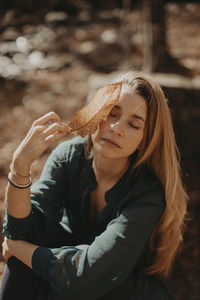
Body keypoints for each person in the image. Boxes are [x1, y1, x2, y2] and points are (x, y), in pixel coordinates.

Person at [0, 72, 188, 300]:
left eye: (133, 125)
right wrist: (19, 167)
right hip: (74, 270)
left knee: (46, 262)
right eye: (111, 113)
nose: (116, 127)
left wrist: (18, 249)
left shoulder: (147, 194)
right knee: (28, 264)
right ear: (96, 112)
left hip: (128, 289)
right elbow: (21, 230)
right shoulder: (69, 156)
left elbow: (88, 275)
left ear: (144, 141)